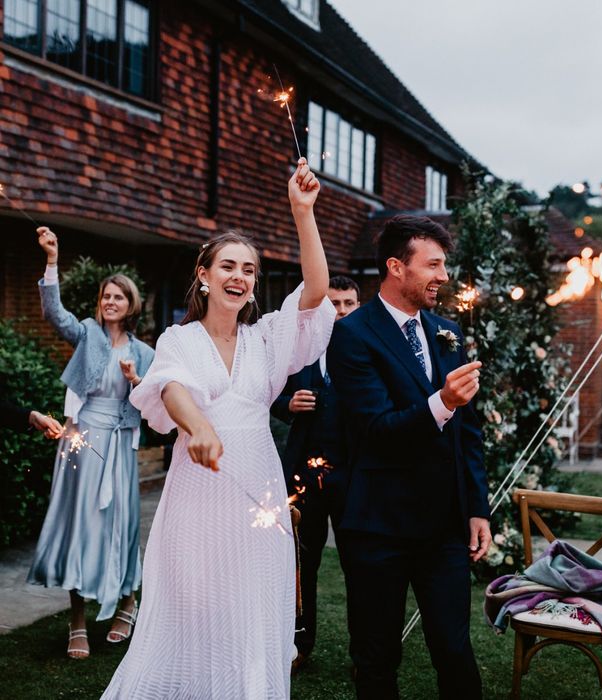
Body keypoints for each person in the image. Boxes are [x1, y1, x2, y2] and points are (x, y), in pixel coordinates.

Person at [101, 158, 335, 699]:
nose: (239, 276)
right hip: (198, 492)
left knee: (254, 611)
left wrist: (304, 213)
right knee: (197, 608)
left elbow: (317, 291)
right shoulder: (178, 340)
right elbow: (171, 387)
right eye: (227, 266)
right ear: (204, 276)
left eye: (249, 269)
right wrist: (198, 425)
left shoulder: (269, 338)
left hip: (258, 486)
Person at [326, 215, 492, 700]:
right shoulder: (352, 335)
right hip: (379, 524)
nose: (443, 276)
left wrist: (477, 507)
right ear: (397, 267)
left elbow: (470, 432)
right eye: (433, 265)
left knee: (455, 651)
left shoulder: (447, 331)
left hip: (443, 526)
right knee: (377, 657)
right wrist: (442, 402)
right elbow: (376, 431)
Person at [27, 227, 155, 660]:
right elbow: (54, 314)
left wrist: (139, 382)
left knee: (120, 527)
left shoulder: (145, 353)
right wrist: (51, 261)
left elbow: (154, 403)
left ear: (131, 304)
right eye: (105, 296)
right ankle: (77, 620)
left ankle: (127, 602)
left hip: (119, 447)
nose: (109, 302)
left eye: (118, 297)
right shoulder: (87, 334)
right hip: (80, 443)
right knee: (78, 529)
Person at [270, 274, 360, 671]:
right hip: (302, 477)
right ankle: (299, 645)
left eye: (348, 304)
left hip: (353, 474)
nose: (340, 311)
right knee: (301, 563)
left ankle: (366, 650)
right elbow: (269, 394)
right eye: (333, 304)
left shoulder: (366, 352)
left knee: (360, 564)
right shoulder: (300, 349)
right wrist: (289, 404)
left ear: (358, 306)